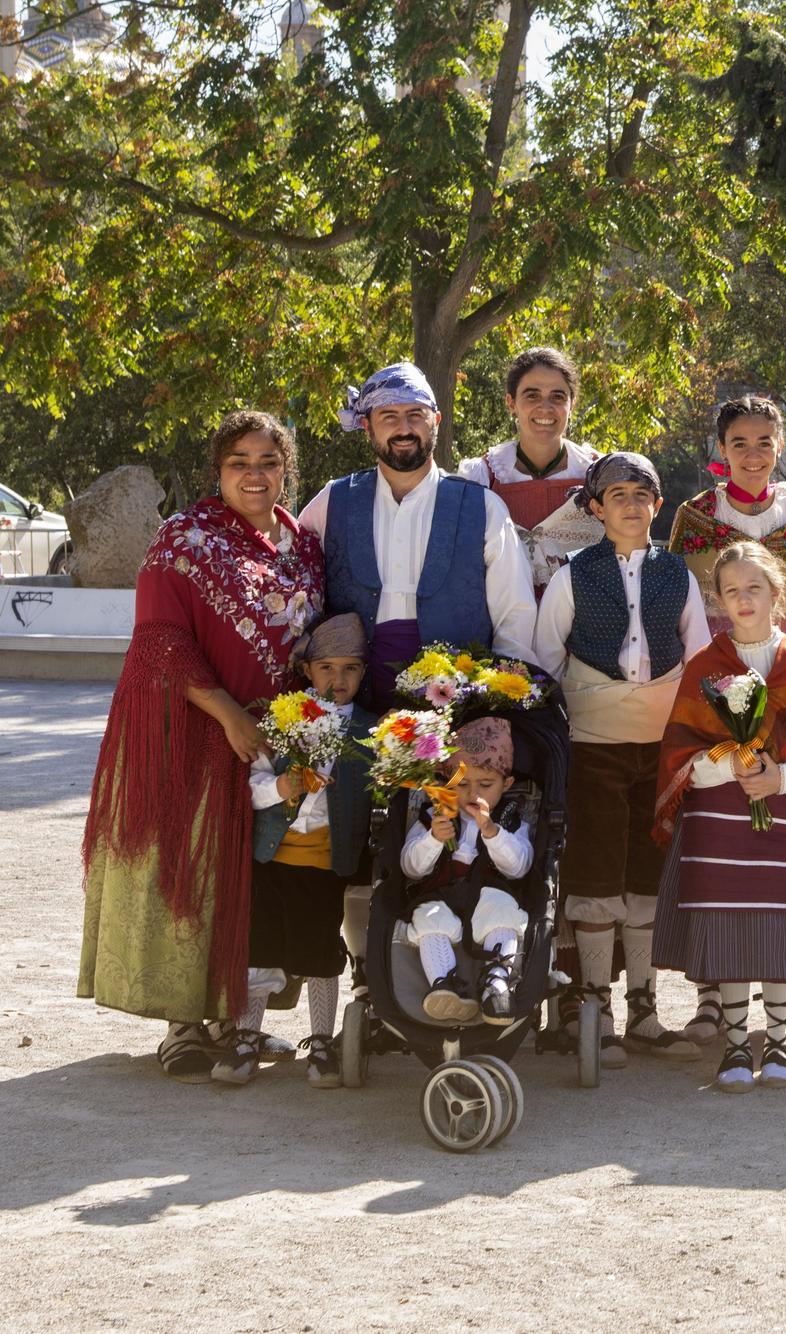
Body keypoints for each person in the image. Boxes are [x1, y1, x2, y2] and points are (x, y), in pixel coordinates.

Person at [79, 410, 325, 1083]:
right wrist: (226, 713)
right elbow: (160, 639)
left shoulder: (301, 544)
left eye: (268, 460)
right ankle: (182, 1027)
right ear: (217, 472)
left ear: (287, 470)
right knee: (190, 874)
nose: (255, 473)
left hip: (272, 742)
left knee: (258, 881)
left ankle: (235, 1019)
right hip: (192, 728)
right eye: (239, 461)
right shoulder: (184, 538)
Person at [531, 452, 712, 1067]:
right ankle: (595, 1005)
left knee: (647, 863)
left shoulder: (676, 575)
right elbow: (544, 658)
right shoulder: (571, 576)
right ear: (594, 507)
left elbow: (700, 657)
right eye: (617, 495)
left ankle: (643, 1003)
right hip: (594, 744)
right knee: (595, 866)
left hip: (659, 745)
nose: (631, 504)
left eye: (643, 493)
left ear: (659, 505)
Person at [653, 542, 786, 1091]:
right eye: (732, 590)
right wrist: (729, 763)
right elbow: (680, 760)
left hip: (785, 822)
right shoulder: (705, 666)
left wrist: (779, 779)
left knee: (776, 927)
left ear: (776, 593)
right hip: (718, 825)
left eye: (754, 588)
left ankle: (779, 1045)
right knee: (731, 929)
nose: (743, 599)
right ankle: (737, 1045)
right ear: (717, 599)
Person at [300, 361, 540, 706]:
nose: (404, 428)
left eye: (416, 415)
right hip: (349, 703)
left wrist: (500, 702)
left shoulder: (483, 507)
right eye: (389, 417)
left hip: (458, 707)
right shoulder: (332, 501)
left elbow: (514, 613)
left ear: (436, 422)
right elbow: (293, 583)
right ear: (367, 426)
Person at [219, 613, 379, 1088]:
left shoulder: (372, 731)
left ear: (364, 674)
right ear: (307, 671)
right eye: (327, 668)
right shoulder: (282, 718)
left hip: (325, 864)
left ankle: (323, 1043)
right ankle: (247, 1038)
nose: (338, 679)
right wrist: (283, 786)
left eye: (350, 669)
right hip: (271, 857)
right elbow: (251, 787)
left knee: (319, 953)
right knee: (259, 948)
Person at [665, 395, 786, 639]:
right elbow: (674, 605)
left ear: (780, 445)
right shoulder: (695, 516)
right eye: (739, 444)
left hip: (785, 659)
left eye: (764, 443)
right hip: (714, 655)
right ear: (722, 448)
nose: (753, 456)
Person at [399, 717, 534, 1025]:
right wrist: (433, 839)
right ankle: (445, 985)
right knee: (428, 919)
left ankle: (497, 981)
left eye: (485, 785)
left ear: (506, 785)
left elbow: (519, 867)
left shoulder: (511, 820)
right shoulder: (433, 816)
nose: (473, 793)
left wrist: (492, 832)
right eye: (461, 785)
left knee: (503, 914)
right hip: (440, 895)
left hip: (491, 894)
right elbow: (411, 867)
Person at [458, 346, 604, 594]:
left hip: (584, 625)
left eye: (558, 396)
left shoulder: (599, 473)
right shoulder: (481, 476)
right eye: (532, 395)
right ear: (511, 403)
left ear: (572, 404)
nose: (545, 407)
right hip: (504, 624)